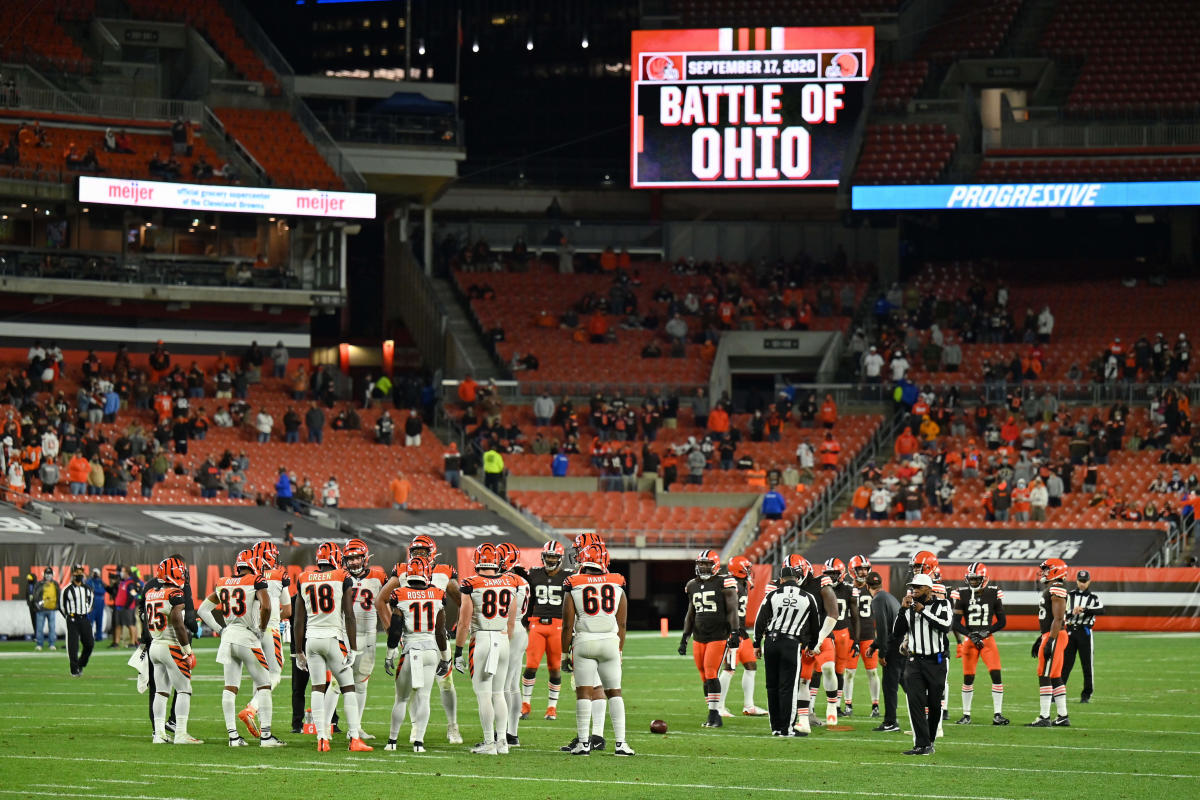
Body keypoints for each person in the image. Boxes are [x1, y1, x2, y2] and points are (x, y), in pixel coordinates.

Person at [376, 535, 464, 746]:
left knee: (446, 683)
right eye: (415, 552)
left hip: (437, 636)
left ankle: (452, 726)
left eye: (423, 552)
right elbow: (381, 601)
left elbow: (464, 601)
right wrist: (392, 633)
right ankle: (417, 731)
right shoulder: (403, 571)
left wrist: (462, 625)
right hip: (415, 638)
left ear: (432, 553)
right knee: (418, 688)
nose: (419, 555)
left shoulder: (444, 572)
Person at [197, 548, 284, 747]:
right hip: (247, 636)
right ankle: (266, 736)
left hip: (228, 637)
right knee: (264, 685)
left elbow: (203, 610)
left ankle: (233, 737)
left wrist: (220, 629)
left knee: (230, 687)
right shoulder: (256, 580)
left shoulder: (223, 582)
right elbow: (267, 607)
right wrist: (261, 629)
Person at [292, 542, 372, 751]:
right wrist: (353, 648)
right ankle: (354, 738)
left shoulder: (303, 577)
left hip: (311, 641)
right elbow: (349, 615)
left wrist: (299, 651)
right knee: (348, 688)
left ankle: (321, 738)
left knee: (318, 687)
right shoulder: (341, 577)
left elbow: (298, 620)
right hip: (333, 639)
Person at [561, 541, 633, 756]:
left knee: (584, 693)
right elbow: (622, 624)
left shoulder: (573, 582)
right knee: (615, 693)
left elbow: (567, 624)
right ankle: (621, 744)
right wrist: (619, 649)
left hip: (584, 641)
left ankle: (584, 744)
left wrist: (565, 654)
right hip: (610, 641)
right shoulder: (617, 582)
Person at [453, 543, 521, 755]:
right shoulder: (510, 582)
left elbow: (464, 623)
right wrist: (505, 642)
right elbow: (511, 621)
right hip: (502, 639)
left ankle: (489, 742)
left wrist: (457, 651)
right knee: (499, 693)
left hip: (482, 639)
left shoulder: (471, 583)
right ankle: (502, 741)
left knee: (484, 694)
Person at [382, 554, 450, 752]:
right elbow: (440, 631)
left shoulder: (400, 594)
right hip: (430, 649)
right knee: (424, 696)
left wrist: (389, 654)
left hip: (411, 649)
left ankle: (392, 741)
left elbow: (395, 629)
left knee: (402, 699)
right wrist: (446, 658)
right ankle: (419, 742)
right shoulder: (437, 594)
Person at [753, 558, 819, 736]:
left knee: (771, 686)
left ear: (781, 580)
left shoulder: (773, 594)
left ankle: (775, 728)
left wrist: (756, 643)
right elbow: (815, 625)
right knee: (788, 687)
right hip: (791, 644)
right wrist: (812, 645)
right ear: (796, 579)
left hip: (771, 643)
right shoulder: (807, 597)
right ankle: (787, 729)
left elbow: (760, 621)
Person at [891, 572, 952, 755]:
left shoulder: (943, 604)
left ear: (928, 589)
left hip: (936, 661)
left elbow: (945, 626)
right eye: (913, 587)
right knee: (915, 701)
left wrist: (923, 611)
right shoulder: (910, 608)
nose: (914, 590)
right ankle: (921, 744)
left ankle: (930, 741)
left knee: (934, 704)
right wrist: (902, 610)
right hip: (915, 660)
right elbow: (896, 632)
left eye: (918, 587)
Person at [144, 557, 202, 744]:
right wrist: (187, 650)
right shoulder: (175, 593)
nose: (183, 574)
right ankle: (181, 734)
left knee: (161, 692)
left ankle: (159, 734)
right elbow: (177, 621)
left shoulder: (151, 592)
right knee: (184, 689)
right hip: (171, 645)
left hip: (156, 645)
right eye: (180, 571)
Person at [678, 550, 739, 728]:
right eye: (701, 563)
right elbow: (691, 613)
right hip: (699, 636)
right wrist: (684, 638)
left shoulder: (724, 582)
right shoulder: (692, 585)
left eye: (707, 563)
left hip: (718, 635)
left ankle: (715, 714)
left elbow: (732, 610)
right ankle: (712, 712)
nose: (703, 566)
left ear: (715, 565)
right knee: (704, 676)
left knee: (711, 673)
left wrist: (734, 632)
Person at [950, 562, 1010, 726]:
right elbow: (955, 623)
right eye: (971, 579)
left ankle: (998, 714)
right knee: (968, 678)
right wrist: (971, 635)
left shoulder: (994, 593)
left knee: (996, 675)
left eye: (977, 579)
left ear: (984, 578)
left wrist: (986, 632)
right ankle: (966, 714)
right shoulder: (961, 594)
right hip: (970, 641)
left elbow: (1002, 621)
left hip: (987, 640)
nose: (973, 582)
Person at [521, 541, 573, 721]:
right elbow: (527, 599)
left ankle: (552, 707)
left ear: (560, 559)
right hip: (537, 624)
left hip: (558, 626)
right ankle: (525, 704)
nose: (550, 560)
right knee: (531, 665)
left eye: (554, 556)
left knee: (554, 668)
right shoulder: (534, 574)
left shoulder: (568, 576)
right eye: (548, 556)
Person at [716, 556, 768, 718]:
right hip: (730, 632)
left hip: (742, 632)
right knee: (729, 669)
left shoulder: (744, 582)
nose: (749, 571)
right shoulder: (728, 583)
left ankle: (749, 706)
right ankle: (719, 706)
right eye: (746, 568)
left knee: (751, 666)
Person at [1027, 557, 1071, 727]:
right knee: (1054, 675)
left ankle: (1044, 717)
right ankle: (1062, 716)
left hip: (1056, 635)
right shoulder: (1053, 588)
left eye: (1046, 569)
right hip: (1052, 634)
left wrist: (1050, 640)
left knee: (1044, 674)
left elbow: (1058, 617)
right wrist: (1042, 637)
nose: (1043, 572)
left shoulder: (1056, 589)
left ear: (1055, 570)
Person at [866, 571, 903, 732]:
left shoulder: (878, 600)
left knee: (889, 685)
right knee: (907, 684)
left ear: (867, 586)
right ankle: (926, 712)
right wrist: (874, 646)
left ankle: (890, 722)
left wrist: (881, 653)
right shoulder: (890, 597)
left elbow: (882, 627)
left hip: (893, 647)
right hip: (903, 644)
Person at [845, 555, 880, 718]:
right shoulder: (846, 588)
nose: (864, 572)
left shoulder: (872, 588)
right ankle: (848, 704)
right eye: (860, 569)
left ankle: (875, 705)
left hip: (868, 636)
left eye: (866, 569)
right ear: (853, 570)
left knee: (872, 672)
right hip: (851, 636)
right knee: (849, 672)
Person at [1062, 570, 1103, 703]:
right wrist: (1071, 612)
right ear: (1076, 581)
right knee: (1065, 664)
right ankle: (1057, 693)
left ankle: (1086, 695)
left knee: (1087, 665)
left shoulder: (1093, 598)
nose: (1082, 584)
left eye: (1085, 581)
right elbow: (1062, 613)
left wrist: (1084, 609)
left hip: (1084, 632)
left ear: (1089, 581)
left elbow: (1101, 610)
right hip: (1070, 632)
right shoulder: (1069, 596)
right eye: (1080, 581)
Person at [60, 565, 94, 676]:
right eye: (76, 572)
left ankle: (80, 664)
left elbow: (90, 602)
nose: (79, 574)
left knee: (89, 644)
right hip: (72, 619)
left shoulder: (88, 589)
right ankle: (74, 670)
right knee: (73, 646)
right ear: (72, 574)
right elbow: (61, 606)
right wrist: (69, 616)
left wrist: (85, 611)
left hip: (84, 618)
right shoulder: (67, 589)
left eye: (80, 572)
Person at [33, 567, 59, 651]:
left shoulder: (55, 584)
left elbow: (58, 594)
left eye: (50, 574)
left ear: (52, 575)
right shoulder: (40, 584)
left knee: (52, 628)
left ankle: (51, 644)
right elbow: (35, 595)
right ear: (44, 574)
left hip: (51, 609)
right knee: (40, 628)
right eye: (47, 574)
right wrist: (37, 605)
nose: (48, 575)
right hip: (41, 609)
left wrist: (57, 605)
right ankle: (39, 644)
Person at [86, 568, 106, 641]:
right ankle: (89, 636)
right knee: (91, 621)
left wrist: (95, 591)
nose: (95, 574)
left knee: (99, 621)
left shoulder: (101, 582)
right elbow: (90, 589)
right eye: (94, 573)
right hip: (93, 603)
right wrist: (98, 591)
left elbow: (103, 591)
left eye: (96, 573)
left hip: (100, 603)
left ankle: (99, 637)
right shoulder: (89, 581)